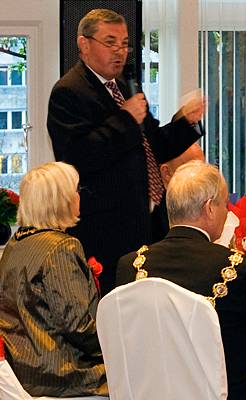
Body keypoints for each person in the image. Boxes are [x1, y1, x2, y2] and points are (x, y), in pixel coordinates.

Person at [116, 161, 246, 400]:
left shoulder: (130, 266)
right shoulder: (234, 268)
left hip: (149, 394)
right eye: (225, 204)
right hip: (227, 395)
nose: (228, 212)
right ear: (209, 208)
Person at [47, 8, 204, 296]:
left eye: (125, 43)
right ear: (84, 44)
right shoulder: (68, 92)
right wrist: (125, 119)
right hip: (105, 231)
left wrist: (185, 123)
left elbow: (153, 146)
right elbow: (78, 158)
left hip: (146, 223)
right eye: (110, 42)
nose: (120, 51)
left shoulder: (124, 87)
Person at [0, 162, 107, 397]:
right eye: (76, 191)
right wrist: (119, 343)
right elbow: (78, 326)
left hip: (21, 372)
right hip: (61, 375)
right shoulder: (61, 247)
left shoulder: (15, 244)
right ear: (62, 200)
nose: (80, 196)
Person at [152, 142, 205, 242]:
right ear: (166, 172)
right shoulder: (152, 212)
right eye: (191, 169)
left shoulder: (202, 202)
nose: (201, 176)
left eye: (202, 169)